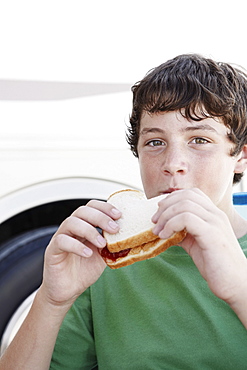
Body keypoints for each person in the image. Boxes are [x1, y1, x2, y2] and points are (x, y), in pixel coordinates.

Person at [1, 53, 247, 369]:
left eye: (199, 139)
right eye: (155, 142)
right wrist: (51, 299)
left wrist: (240, 288)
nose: (173, 164)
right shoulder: (103, 263)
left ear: (240, 156)